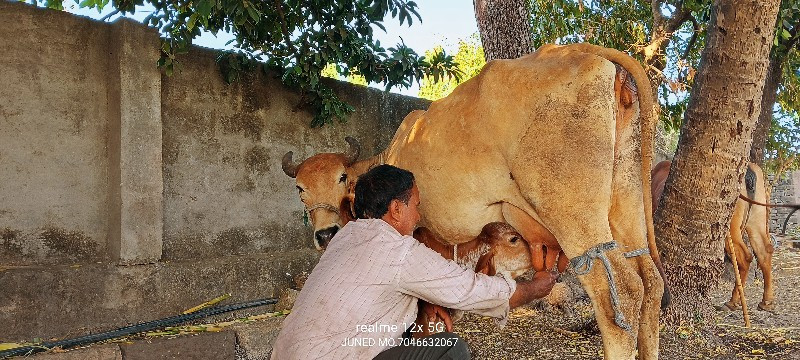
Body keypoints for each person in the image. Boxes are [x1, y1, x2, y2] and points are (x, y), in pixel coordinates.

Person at [271, 164, 558, 360]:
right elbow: (472, 290)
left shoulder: (345, 240)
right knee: (449, 349)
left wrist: (425, 302)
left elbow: (376, 303)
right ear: (396, 208)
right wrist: (533, 288)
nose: (419, 216)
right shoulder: (398, 249)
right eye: (416, 206)